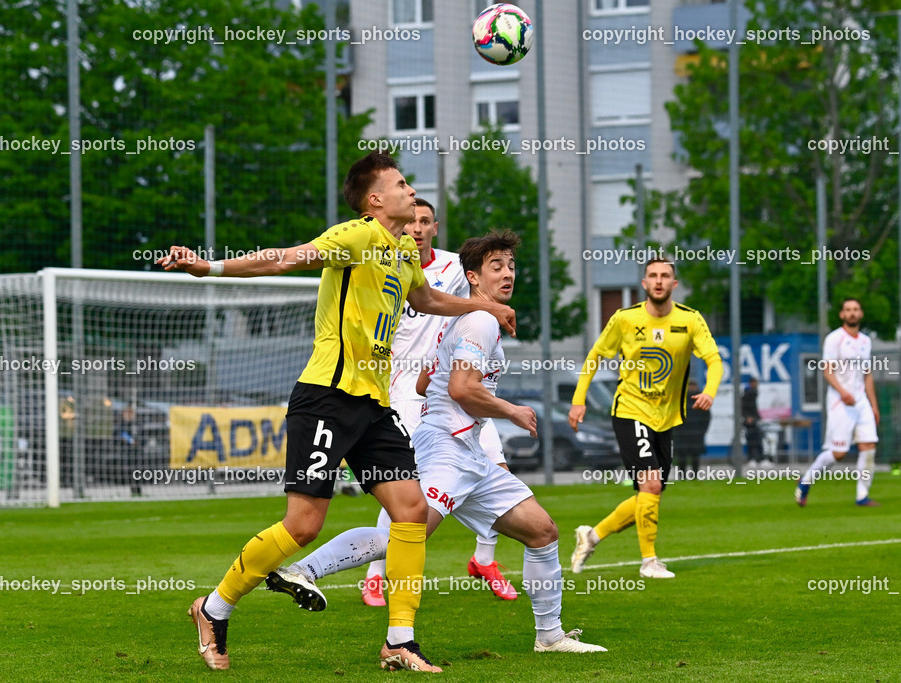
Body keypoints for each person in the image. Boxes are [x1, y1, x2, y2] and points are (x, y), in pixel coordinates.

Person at [158, 152, 516, 673]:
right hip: (327, 396)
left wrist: (484, 306)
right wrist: (208, 266)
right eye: (400, 184)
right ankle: (214, 608)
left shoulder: (402, 250)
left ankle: (400, 641)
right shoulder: (354, 236)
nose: (409, 190)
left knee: (411, 512)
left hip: (374, 404)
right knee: (303, 524)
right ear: (376, 199)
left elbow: (428, 299)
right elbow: (282, 258)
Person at [270, 231, 606, 655]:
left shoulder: (464, 319)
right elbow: (464, 389)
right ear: (473, 276)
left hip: (471, 452)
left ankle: (550, 637)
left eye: (512, 266)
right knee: (406, 532)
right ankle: (305, 568)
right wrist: (512, 410)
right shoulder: (481, 320)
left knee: (542, 531)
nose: (507, 274)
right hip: (447, 447)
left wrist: (459, 397)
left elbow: (428, 378)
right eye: (496, 267)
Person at [360, 198, 516, 608]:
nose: (416, 227)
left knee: (497, 469)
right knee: (404, 487)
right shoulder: (385, 267)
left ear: (434, 228)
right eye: (410, 220)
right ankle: (375, 574)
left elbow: (485, 284)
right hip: (404, 392)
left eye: (424, 221)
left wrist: (495, 305)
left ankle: (484, 560)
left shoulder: (455, 268)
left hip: (456, 386)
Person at [568, 258, 722, 579]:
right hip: (629, 410)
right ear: (644, 283)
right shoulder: (625, 319)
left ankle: (591, 536)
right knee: (650, 483)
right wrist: (578, 399)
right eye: (653, 275)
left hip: (666, 418)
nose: (659, 281)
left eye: (665, 275)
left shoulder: (690, 320)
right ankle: (649, 562)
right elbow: (596, 355)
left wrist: (710, 390)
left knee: (649, 494)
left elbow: (713, 358)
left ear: (674, 284)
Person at [795, 298, 880, 507]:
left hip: (860, 402)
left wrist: (874, 405)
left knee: (868, 445)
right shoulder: (834, 339)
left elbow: (867, 374)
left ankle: (862, 496)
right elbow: (827, 371)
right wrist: (843, 392)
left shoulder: (865, 341)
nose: (852, 313)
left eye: (856, 309)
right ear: (842, 314)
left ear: (860, 314)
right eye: (848, 310)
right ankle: (806, 480)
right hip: (840, 402)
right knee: (839, 453)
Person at [673, 379, 710, 474]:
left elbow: (707, 417)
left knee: (695, 455)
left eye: (693, 386)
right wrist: (677, 431)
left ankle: (695, 474)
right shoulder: (680, 400)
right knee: (682, 456)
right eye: (690, 386)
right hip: (682, 434)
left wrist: (702, 431)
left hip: (696, 433)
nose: (692, 388)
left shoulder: (701, 400)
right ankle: (682, 475)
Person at [742, 377, 767, 465]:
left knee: (756, 439)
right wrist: (747, 417)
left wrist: (758, 417)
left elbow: (753, 408)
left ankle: (758, 458)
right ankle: (753, 459)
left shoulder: (753, 393)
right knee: (752, 440)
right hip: (749, 421)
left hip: (753, 419)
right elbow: (744, 407)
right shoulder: (748, 394)